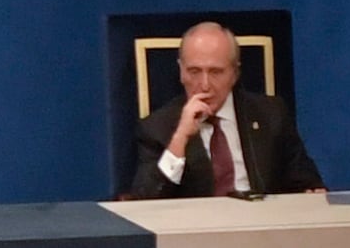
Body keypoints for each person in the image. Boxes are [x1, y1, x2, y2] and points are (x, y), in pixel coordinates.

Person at [121, 18, 319, 201]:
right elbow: (145, 202)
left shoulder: (271, 114)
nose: (205, 85)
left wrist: (313, 195)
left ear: (235, 73)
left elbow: (307, 184)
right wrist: (180, 138)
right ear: (181, 71)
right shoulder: (157, 128)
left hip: (263, 228)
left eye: (215, 72)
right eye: (194, 71)